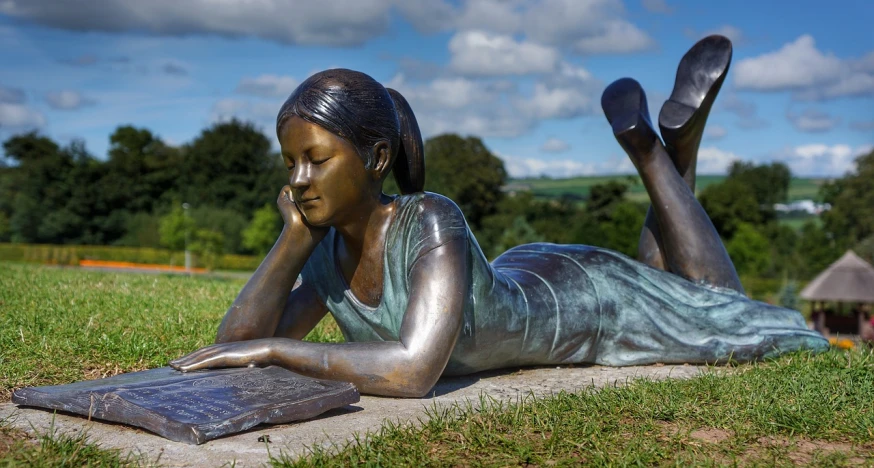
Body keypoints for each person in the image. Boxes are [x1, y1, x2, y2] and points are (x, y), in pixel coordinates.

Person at [171, 37, 828, 397]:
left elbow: (410, 370)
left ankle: (654, 155)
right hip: (524, 278)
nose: (297, 180)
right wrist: (290, 243)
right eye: (290, 164)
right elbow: (233, 346)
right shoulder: (324, 249)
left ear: (375, 158)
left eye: (314, 161)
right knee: (670, 284)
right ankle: (674, 157)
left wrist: (276, 347)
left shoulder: (431, 219)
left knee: (719, 305)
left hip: (583, 301)